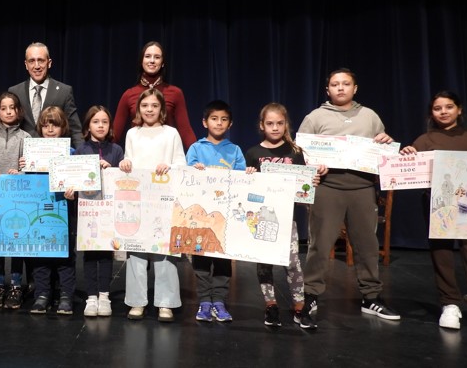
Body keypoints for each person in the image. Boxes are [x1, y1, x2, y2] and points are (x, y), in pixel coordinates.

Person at [298, 68, 401, 324]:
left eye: (346, 84)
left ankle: (371, 297)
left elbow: (383, 150)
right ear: (327, 90)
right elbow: (301, 153)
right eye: (335, 84)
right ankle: (310, 295)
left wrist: (386, 141)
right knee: (319, 245)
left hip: (363, 188)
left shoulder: (370, 116)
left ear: (355, 88)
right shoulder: (315, 117)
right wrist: (312, 165)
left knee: (367, 245)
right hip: (328, 188)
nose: (340, 88)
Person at [244, 103, 325, 329]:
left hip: (287, 217)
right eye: (270, 123)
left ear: (286, 124)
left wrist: (311, 183)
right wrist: (248, 176)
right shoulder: (253, 153)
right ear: (262, 125)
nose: (275, 127)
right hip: (262, 218)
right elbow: (248, 192)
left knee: (292, 263)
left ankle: (300, 306)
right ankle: (270, 305)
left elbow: (303, 188)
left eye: (280, 123)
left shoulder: (295, 152)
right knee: (264, 264)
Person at [399, 90, 467, 330]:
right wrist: (407, 156)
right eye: (438, 108)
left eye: (449, 107)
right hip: (438, 204)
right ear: (431, 113)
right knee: (441, 252)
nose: (443, 112)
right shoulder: (425, 140)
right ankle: (450, 303)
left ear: (459, 109)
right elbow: (410, 174)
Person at [119, 88, 186, 322]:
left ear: (162, 109)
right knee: (136, 252)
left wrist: (169, 167)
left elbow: (180, 163)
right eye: (145, 105)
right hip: (138, 201)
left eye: (154, 106)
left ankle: (165, 303)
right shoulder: (132, 134)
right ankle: (137, 302)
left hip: (164, 202)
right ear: (138, 108)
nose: (149, 110)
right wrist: (125, 163)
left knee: (164, 253)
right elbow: (128, 161)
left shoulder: (171, 134)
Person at [186, 99, 247, 322]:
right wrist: (194, 169)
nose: (219, 123)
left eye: (223, 119)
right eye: (214, 119)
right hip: (202, 216)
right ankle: (204, 301)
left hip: (225, 216)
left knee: (222, 259)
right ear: (205, 122)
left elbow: (241, 179)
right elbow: (188, 176)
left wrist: (247, 173)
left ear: (230, 124)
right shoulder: (196, 148)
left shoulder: (235, 150)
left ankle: (219, 302)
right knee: (201, 257)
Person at [0, 91, 32, 309]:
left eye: (12, 107)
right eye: (4, 108)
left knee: (16, 241)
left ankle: (16, 285)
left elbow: (31, 168)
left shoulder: (26, 138)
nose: (8, 111)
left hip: (17, 198)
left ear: (18, 111)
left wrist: (23, 171)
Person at [74, 105, 124, 317]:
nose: (101, 125)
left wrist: (114, 168)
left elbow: (123, 179)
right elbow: (75, 179)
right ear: (88, 126)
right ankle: (91, 297)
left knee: (106, 255)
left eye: (104, 121)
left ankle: (104, 296)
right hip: (87, 212)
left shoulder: (116, 149)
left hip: (109, 212)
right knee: (89, 255)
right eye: (96, 121)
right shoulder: (81, 150)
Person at [29, 106, 78, 316]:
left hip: (64, 211)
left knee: (65, 256)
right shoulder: (32, 151)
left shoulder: (71, 152)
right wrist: (21, 168)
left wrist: (72, 191)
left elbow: (77, 182)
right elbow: (27, 183)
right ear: (40, 128)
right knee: (40, 254)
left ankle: (66, 295)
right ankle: (42, 294)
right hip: (38, 212)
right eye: (46, 125)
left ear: (63, 127)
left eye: (55, 125)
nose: (50, 129)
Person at [113, 41, 197, 150]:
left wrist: (197, 156)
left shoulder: (175, 93)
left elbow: (185, 131)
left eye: (157, 57)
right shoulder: (129, 94)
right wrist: (103, 156)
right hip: (138, 154)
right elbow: (115, 134)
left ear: (162, 63)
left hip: (166, 156)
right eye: (148, 56)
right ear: (141, 61)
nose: (152, 60)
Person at [8, 42, 83, 148]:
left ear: (49, 62)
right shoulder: (15, 91)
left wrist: (84, 156)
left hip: (54, 153)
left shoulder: (64, 91)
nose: (37, 66)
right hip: (22, 156)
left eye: (41, 60)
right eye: (32, 61)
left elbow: (75, 129)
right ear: (26, 65)